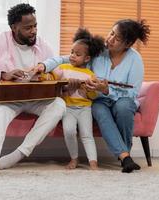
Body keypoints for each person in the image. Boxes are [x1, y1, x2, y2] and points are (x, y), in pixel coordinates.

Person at [34, 19, 150, 173]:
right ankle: (125, 158)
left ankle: (124, 154)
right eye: (111, 33)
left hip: (122, 100)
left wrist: (107, 90)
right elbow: (66, 58)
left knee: (123, 107)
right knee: (100, 110)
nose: (110, 39)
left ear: (127, 44)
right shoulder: (97, 51)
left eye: (117, 38)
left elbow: (133, 92)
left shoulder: (135, 60)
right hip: (99, 100)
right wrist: (43, 65)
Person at [0, 3, 66, 176]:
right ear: (14, 27)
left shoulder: (42, 44)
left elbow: (58, 71)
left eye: (35, 26)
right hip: (8, 99)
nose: (34, 31)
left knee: (59, 105)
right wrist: (3, 74)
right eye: (28, 28)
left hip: (36, 99)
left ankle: (18, 155)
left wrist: (51, 76)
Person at [52, 28, 104, 170]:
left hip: (84, 109)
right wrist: (64, 86)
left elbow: (93, 96)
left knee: (87, 135)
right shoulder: (63, 68)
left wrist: (87, 90)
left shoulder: (90, 75)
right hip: (68, 108)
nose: (73, 56)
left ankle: (93, 162)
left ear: (87, 59)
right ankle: (74, 159)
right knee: (69, 131)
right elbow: (53, 82)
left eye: (77, 54)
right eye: (72, 52)